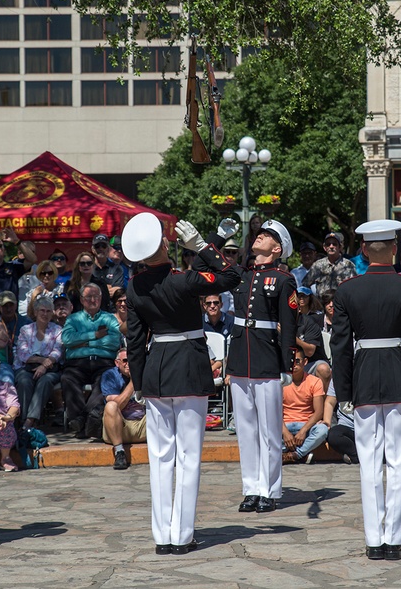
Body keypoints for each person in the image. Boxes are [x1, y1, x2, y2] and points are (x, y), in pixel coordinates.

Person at [124, 212, 240, 555]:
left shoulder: (135, 286)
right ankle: (182, 534)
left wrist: (141, 382)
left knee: (160, 457)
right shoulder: (184, 280)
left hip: (157, 371)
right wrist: (203, 245)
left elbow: (134, 341)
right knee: (189, 456)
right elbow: (231, 275)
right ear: (162, 244)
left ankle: (163, 536)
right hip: (189, 367)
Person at [331, 219, 401, 561]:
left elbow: (341, 346)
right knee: (398, 462)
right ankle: (396, 539)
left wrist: (343, 392)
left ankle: (375, 540)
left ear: (363, 249)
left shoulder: (347, 290)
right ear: (394, 249)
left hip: (363, 380)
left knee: (369, 463)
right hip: (400, 379)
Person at [217, 218, 297, 514]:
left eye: (267, 236)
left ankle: (269, 489)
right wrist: (212, 238)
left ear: (276, 249)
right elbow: (210, 263)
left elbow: (289, 325)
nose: (260, 237)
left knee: (269, 430)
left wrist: (286, 364)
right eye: (260, 233)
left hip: (266, 357)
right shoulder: (241, 274)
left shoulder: (283, 279)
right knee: (246, 430)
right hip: (240, 356)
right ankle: (250, 488)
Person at [60, 284, 122, 436]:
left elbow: (114, 342)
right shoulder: (73, 319)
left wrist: (82, 342)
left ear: (101, 299)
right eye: (89, 297)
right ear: (82, 299)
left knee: (106, 380)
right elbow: (67, 339)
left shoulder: (109, 318)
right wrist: (95, 335)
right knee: (67, 379)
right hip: (77, 363)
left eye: (96, 297)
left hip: (103, 362)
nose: (93, 300)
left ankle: (82, 420)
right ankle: (85, 423)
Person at [13, 296, 63, 430]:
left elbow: (57, 352)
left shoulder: (57, 330)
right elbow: (22, 354)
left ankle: (29, 421)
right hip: (26, 367)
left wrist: (44, 366)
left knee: (45, 381)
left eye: (48, 311)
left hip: (49, 369)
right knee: (24, 380)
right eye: (42, 310)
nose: (45, 314)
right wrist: (42, 361)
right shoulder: (25, 330)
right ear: (35, 312)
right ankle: (24, 419)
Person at [101, 348, 146, 470]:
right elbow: (118, 405)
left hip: (144, 424)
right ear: (117, 363)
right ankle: (119, 452)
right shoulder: (110, 376)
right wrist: (133, 382)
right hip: (120, 427)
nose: (129, 364)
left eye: (132, 360)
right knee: (111, 406)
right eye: (125, 360)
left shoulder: (146, 372)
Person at [281, 346, 327, 464]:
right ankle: (303, 454)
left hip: (306, 425)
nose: (294, 365)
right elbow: (274, 411)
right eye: (291, 361)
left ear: (305, 362)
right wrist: (285, 432)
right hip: (285, 425)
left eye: (297, 361)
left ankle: (295, 454)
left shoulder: (314, 381)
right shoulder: (280, 382)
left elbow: (319, 412)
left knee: (322, 430)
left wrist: (303, 431)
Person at [303, 231, 357, 297]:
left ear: (340, 247)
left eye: (334, 244)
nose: (331, 246)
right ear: (324, 247)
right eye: (328, 244)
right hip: (322, 305)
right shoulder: (317, 266)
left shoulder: (349, 266)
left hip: (341, 305)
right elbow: (305, 286)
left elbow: (355, 288)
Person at [323, 379, 357, 464]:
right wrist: (327, 422)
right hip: (347, 425)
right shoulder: (337, 376)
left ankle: (355, 457)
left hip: (368, 426)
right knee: (333, 436)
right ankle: (356, 455)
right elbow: (330, 402)